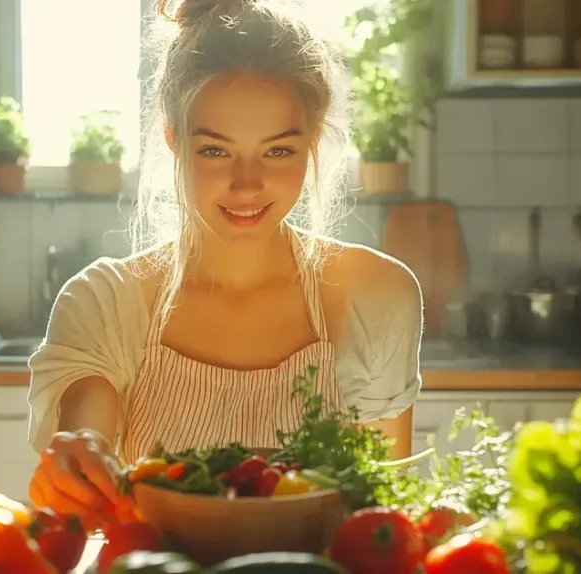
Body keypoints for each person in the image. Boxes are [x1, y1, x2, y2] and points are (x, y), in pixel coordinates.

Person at [27, 0, 423, 526]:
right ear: (174, 143)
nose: (246, 184)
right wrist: (76, 467)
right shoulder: (105, 300)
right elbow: (86, 446)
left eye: (278, 151)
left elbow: (382, 518)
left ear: (311, 146)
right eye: (215, 151)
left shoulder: (377, 294)